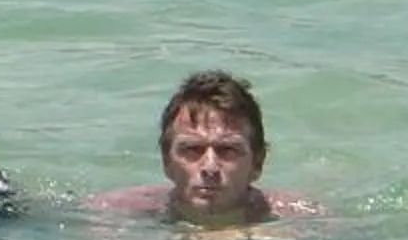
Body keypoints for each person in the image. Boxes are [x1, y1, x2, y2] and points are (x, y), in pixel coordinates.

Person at [90, 69, 320, 229]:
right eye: (192, 149)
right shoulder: (115, 212)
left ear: (257, 163)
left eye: (227, 150)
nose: (210, 167)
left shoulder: (301, 219)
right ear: (166, 161)